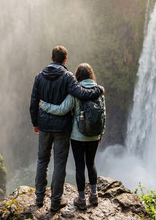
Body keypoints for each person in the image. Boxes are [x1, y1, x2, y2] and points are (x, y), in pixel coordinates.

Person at [29, 46, 104, 212]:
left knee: (42, 160)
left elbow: (34, 102)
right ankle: (56, 201)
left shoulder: (39, 77)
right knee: (59, 163)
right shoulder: (68, 77)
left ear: (51, 57)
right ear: (65, 59)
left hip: (44, 125)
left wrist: (35, 122)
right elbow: (81, 93)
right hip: (62, 127)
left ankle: (39, 197)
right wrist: (98, 89)